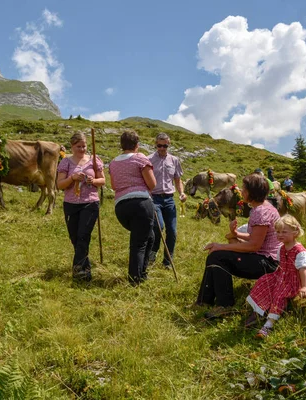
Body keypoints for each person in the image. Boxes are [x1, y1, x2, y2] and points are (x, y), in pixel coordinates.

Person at [196, 173, 280, 318]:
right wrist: (236, 234)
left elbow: (254, 245)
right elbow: (257, 237)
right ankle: (204, 301)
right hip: (263, 257)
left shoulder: (261, 212)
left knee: (217, 257)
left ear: (250, 192)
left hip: (267, 263)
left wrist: (221, 246)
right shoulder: (262, 208)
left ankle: (225, 305)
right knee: (215, 256)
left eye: (244, 189)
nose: (241, 191)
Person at [245, 215, 306, 338]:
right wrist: (276, 276)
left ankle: (268, 325)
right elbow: (281, 265)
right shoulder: (281, 248)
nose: (280, 234)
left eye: (284, 232)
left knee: (280, 294)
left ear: (295, 232)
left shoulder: (300, 251)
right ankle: (259, 311)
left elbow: (303, 270)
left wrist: (305, 287)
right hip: (281, 275)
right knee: (264, 281)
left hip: (293, 279)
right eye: (278, 232)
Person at [109, 130, 157, 285]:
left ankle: (142, 272)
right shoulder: (140, 158)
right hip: (141, 203)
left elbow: (114, 185)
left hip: (121, 206)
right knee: (139, 243)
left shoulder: (114, 163)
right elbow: (152, 183)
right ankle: (135, 279)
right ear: (137, 144)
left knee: (149, 237)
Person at [57, 133, 105, 282]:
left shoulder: (94, 160)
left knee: (83, 235)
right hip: (71, 203)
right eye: (79, 146)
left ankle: (78, 271)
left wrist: (93, 180)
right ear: (72, 146)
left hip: (90, 202)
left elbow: (102, 180)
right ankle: (85, 267)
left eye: (84, 146)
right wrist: (72, 178)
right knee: (75, 238)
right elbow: (59, 185)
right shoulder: (66, 162)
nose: (82, 149)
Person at [148, 132, 187, 268]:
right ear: (155, 144)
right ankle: (152, 253)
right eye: (159, 145)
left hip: (169, 199)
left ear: (168, 145)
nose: (162, 148)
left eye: (165, 145)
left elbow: (178, 179)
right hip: (154, 198)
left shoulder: (174, 160)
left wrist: (181, 193)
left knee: (172, 231)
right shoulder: (149, 159)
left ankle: (167, 261)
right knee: (159, 227)